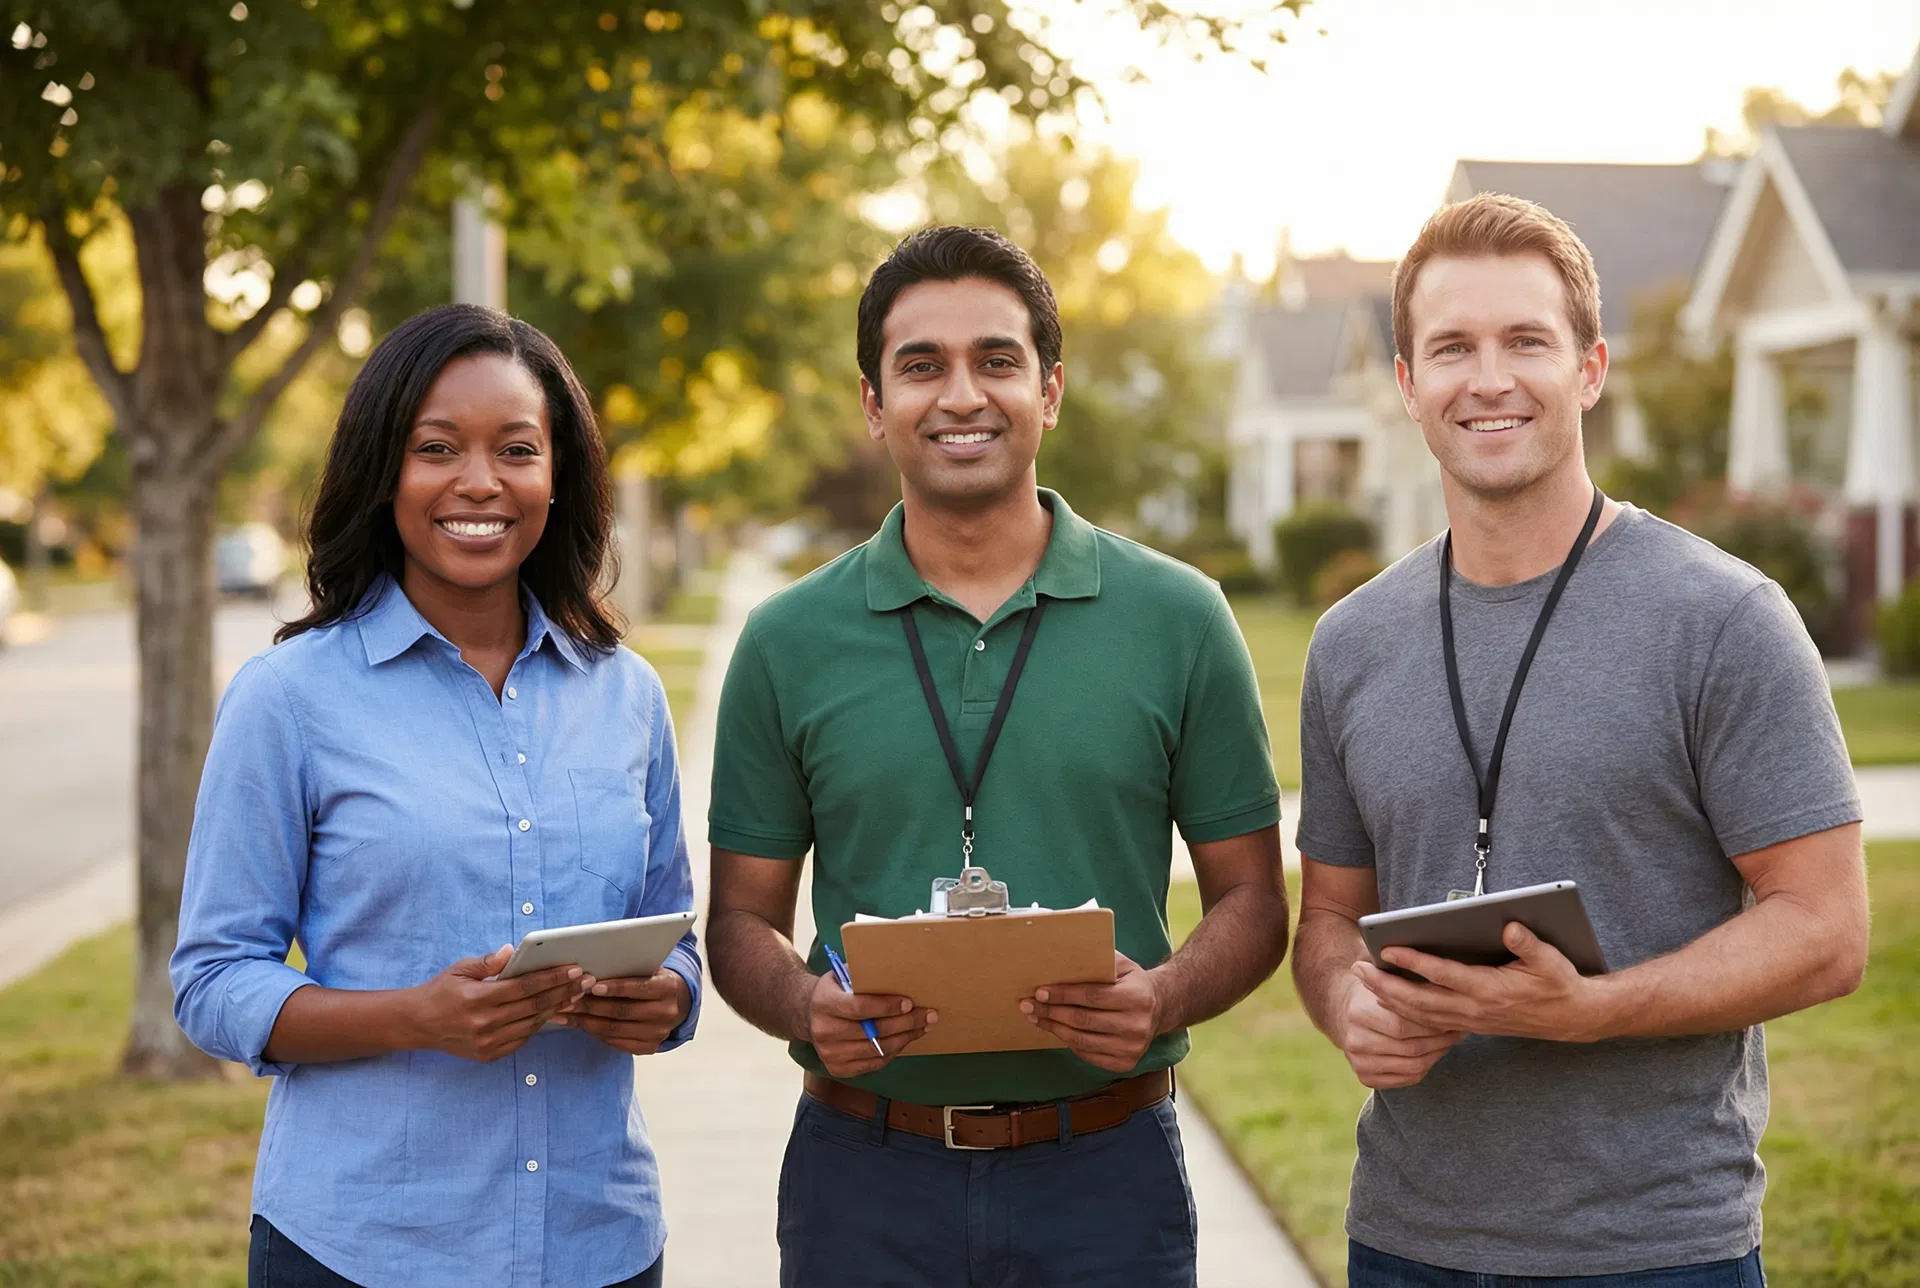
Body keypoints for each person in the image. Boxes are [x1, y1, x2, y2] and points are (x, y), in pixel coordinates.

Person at [1290, 193, 1869, 1285]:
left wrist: (1587, 1011)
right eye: (1452, 347)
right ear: (1409, 386)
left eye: (1527, 341)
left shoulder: (1723, 619)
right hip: (1408, 1243)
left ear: (1591, 368)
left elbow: (1827, 928)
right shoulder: (1351, 642)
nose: (1490, 378)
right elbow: (1326, 917)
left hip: (1655, 1249)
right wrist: (1345, 1004)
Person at [704, 225, 1288, 1287]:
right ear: (877, 406)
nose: (960, 394)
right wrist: (804, 1007)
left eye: (997, 360)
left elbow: (1252, 901)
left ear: (1050, 390)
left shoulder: (1180, 618)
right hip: (862, 1179)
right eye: (921, 366)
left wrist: (1161, 996)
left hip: (1105, 1179)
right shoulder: (786, 641)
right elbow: (740, 920)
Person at [171, 304, 699, 1288]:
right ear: (386, 470)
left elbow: (677, 942)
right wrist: (417, 1017)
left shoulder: (626, 693)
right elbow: (212, 979)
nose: (479, 482)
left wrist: (659, 1001)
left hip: (602, 1243)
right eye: (437, 447)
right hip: (366, 1250)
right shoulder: (290, 699)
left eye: (516, 449)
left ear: (559, 477)